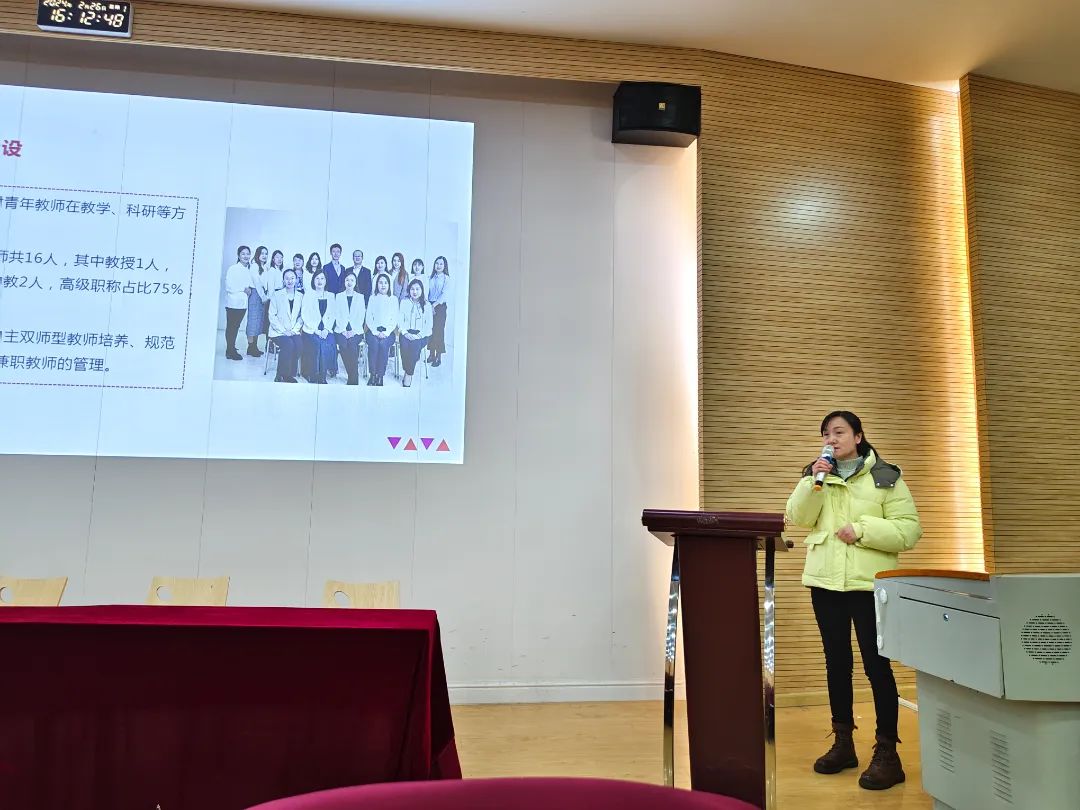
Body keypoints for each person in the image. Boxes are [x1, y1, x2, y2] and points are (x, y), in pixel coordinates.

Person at [785, 411, 922, 791]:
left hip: (868, 585)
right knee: (836, 663)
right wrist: (813, 482)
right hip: (825, 583)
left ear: (858, 436)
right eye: (826, 433)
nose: (831, 438)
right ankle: (843, 744)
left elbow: (909, 530)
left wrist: (862, 530)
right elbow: (798, 518)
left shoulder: (885, 476)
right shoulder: (817, 476)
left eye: (839, 431)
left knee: (877, 666)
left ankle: (888, 752)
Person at [300, 269, 336, 384]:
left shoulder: (331, 295)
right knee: (317, 343)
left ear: (326, 281)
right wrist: (315, 330)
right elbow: (304, 314)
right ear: (313, 280)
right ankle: (311, 374)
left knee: (327, 342)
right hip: (311, 330)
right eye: (317, 278)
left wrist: (326, 329)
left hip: (326, 330)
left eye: (322, 278)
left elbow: (333, 315)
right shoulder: (308, 294)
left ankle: (322, 376)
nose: (319, 281)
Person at [268, 268, 304, 382]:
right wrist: (283, 331)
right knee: (288, 344)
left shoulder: (300, 296)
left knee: (299, 344)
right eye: (287, 278)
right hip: (278, 331)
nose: (290, 281)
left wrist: (294, 330)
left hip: (293, 330)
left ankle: (290, 373)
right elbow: (272, 316)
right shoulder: (277, 294)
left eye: (292, 278)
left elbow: (301, 316)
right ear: (283, 280)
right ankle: (281, 374)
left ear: (296, 280)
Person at [397, 278, 432, 388]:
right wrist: (405, 333)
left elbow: (429, 325)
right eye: (412, 289)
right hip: (406, 333)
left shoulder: (427, 305)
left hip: (422, 335)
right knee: (404, 346)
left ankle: (408, 375)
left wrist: (418, 336)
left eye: (417, 289)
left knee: (414, 346)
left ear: (422, 290)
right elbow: (400, 320)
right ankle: (407, 369)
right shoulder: (404, 302)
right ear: (409, 290)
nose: (415, 291)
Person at [334, 271, 366, 386]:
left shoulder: (360, 297)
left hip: (356, 331)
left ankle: (353, 377)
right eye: (347, 280)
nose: (349, 282)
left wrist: (353, 331)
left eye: (352, 280)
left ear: (355, 282)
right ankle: (352, 375)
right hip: (341, 330)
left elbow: (361, 316)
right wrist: (343, 330)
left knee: (352, 344)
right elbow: (336, 314)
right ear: (344, 282)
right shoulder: (338, 296)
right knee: (343, 344)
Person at [365, 272, 396, 386]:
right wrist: (375, 332)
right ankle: (373, 375)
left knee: (383, 345)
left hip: (389, 332)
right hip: (373, 331)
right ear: (376, 284)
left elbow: (394, 319)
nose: (383, 285)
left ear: (389, 285)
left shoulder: (393, 299)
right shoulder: (372, 298)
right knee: (374, 344)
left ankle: (380, 375)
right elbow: (369, 318)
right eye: (380, 282)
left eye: (385, 283)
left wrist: (386, 333)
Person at [223, 245, 253, 361]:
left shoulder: (248, 269)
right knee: (231, 327)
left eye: (248, 254)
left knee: (236, 327)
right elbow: (229, 286)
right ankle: (230, 351)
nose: (246, 256)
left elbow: (249, 285)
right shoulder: (233, 268)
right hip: (233, 303)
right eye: (243, 254)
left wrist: (248, 290)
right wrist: (244, 289)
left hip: (242, 304)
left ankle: (231, 348)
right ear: (239, 256)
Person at [244, 245, 270, 357]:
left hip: (262, 294)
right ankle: (250, 347)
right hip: (256, 294)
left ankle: (255, 346)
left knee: (258, 321)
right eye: (262, 253)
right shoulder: (254, 266)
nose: (264, 256)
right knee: (253, 321)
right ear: (257, 254)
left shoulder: (265, 267)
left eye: (266, 253)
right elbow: (257, 283)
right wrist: (263, 296)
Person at [426, 255, 452, 367]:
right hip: (429, 305)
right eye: (437, 263)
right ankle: (431, 354)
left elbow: (444, 294)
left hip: (440, 307)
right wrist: (429, 305)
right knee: (430, 330)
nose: (439, 266)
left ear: (444, 266)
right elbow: (426, 292)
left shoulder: (446, 279)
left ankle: (438, 356)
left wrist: (434, 305)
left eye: (441, 264)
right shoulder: (430, 277)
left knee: (439, 331)